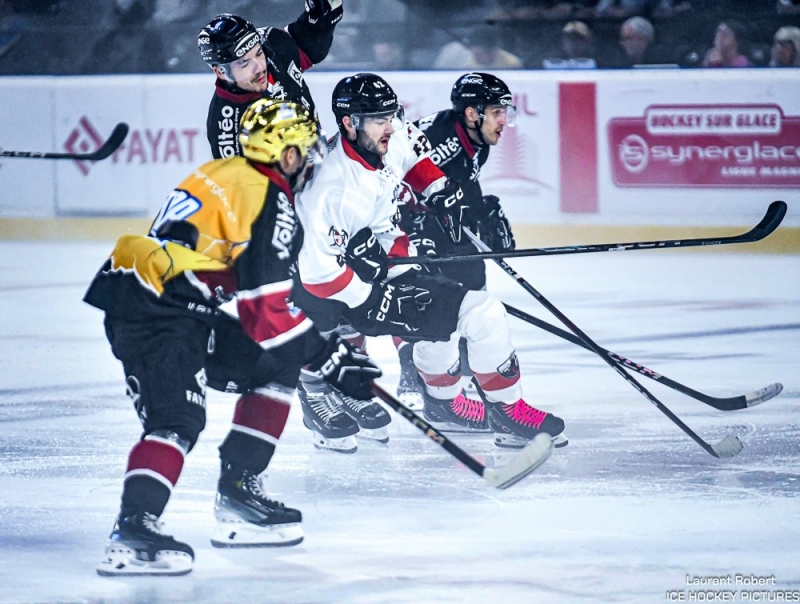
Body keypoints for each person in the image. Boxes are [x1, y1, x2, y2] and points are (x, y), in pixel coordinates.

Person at [85, 99, 381, 576]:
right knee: (176, 420)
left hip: (157, 296)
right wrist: (330, 358)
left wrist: (317, 351)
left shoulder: (224, 172)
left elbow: (249, 294)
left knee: (276, 363)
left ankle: (239, 493)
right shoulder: (270, 199)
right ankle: (133, 533)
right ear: (287, 155)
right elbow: (266, 314)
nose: (311, 164)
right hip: (160, 310)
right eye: (307, 152)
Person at [293, 73, 567, 452]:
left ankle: (467, 407)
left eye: (392, 116)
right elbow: (317, 275)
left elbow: (411, 156)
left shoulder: (387, 138)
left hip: (382, 268)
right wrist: (375, 297)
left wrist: (439, 189)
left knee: (480, 312)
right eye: (380, 120)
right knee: (338, 330)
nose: (392, 127)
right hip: (333, 292)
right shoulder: (332, 188)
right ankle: (315, 391)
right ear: (349, 123)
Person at [401, 72, 517, 420]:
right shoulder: (439, 141)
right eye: (497, 112)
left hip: (440, 222)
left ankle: (461, 371)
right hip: (408, 226)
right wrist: (413, 234)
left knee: (473, 277)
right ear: (471, 113)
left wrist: (482, 212)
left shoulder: (477, 139)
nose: (503, 121)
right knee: (423, 296)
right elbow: (392, 184)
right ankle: (412, 377)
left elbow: (464, 184)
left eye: (505, 112)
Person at [198, 1, 343, 159]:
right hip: (301, 172)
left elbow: (307, 48)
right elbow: (241, 176)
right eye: (245, 64)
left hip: (322, 160)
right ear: (220, 72)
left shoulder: (270, 44)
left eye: (258, 53)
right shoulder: (226, 131)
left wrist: (322, 14)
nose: (259, 67)